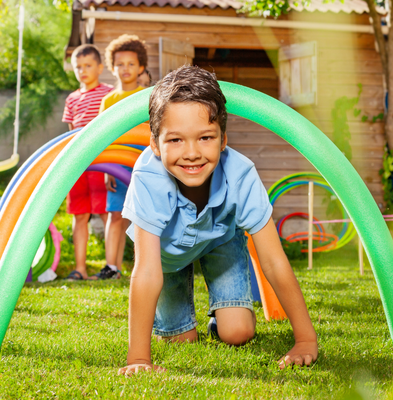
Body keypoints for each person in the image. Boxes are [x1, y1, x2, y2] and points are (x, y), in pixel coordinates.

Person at [118, 66, 318, 375]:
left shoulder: (241, 174)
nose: (192, 153)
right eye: (175, 140)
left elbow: (274, 262)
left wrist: (305, 339)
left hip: (219, 241)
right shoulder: (148, 178)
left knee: (237, 333)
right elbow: (145, 272)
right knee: (181, 340)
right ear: (155, 144)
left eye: (205, 137)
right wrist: (138, 358)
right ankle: (179, 323)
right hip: (166, 257)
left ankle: (223, 316)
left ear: (223, 139)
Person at [92, 34, 149, 280]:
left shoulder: (147, 97)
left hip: (142, 166)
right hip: (117, 167)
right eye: (120, 64)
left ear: (141, 68)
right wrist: (107, 170)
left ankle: (144, 266)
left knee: (143, 218)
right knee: (115, 215)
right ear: (112, 68)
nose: (125, 69)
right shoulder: (109, 100)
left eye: (131, 64)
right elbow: (104, 137)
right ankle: (111, 267)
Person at [62, 44, 113, 281]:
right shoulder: (72, 99)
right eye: (78, 67)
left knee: (106, 213)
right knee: (80, 215)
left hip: (102, 162)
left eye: (88, 66)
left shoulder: (109, 93)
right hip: (79, 164)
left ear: (100, 67)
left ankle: (109, 267)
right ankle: (80, 268)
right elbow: (70, 133)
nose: (82, 71)